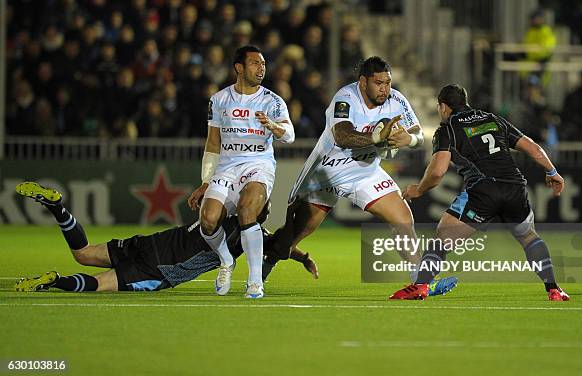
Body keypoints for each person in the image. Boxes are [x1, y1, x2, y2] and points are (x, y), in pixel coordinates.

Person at [271, 56, 458, 296]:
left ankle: (420, 282)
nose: (385, 89)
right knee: (292, 237)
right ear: (362, 82)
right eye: (378, 83)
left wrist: (409, 139)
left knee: (402, 218)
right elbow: (342, 136)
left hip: (366, 172)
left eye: (387, 82)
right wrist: (376, 139)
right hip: (328, 172)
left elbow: (417, 134)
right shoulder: (346, 98)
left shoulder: (396, 99)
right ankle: (263, 267)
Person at [390, 84, 569, 301]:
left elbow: (437, 172)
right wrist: (552, 171)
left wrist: (418, 189)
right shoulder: (493, 119)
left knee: (441, 239)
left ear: (444, 107)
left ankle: (420, 286)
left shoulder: (447, 130)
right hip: (515, 187)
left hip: (483, 191)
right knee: (529, 237)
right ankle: (554, 289)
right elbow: (532, 147)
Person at [14, 181, 317, 293]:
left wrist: (301, 255)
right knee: (99, 284)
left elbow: (273, 241)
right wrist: (297, 242)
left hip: (156, 242)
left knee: (83, 253)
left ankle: (58, 208)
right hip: (159, 270)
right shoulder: (250, 236)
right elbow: (276, 245)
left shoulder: (221, 213)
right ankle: (54, 281)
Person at [187, 45, 294, 299]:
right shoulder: (220, 99)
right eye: (256, 63)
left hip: (259, 164)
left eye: (264, 64)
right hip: (226, 167)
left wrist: (273, 126)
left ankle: (255, 282)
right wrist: (206, 181)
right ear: (239, 67)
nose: (262, 69)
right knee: (208, 220)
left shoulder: (272, 101)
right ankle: (226, 261)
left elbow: (289, 135)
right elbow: (213, 144)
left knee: (248, 210)